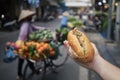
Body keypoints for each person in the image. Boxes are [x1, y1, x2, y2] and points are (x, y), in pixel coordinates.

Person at [16, 10, 45, 80]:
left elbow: (34, 28)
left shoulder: (28, 23)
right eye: (30, 16)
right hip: (23, 43)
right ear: (27, 17)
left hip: (21, 43)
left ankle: (22, 74)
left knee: (23, 59)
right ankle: (20, 75)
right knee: (27, 58)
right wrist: (31, 39)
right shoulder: (25, 24)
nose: (32, 17)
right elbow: (24, 35)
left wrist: (43, 28)